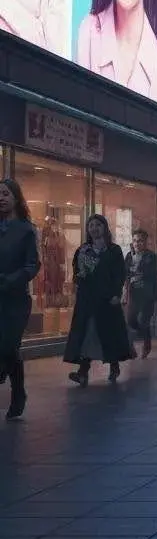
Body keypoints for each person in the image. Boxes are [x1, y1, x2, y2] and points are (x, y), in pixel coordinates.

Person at [64, 214, 133, 384]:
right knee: (87, 334)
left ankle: (114, 366)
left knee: (109, 333)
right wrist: (80, 276)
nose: (94, 228)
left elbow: (119, 274)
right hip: (87, 300)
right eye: (91, 225)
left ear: (104, 227)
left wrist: (116, 294)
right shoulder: (83, 250)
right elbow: (77, 274)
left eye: (98, 225)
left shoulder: (113, 250)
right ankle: (83, 372)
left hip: (107, 300)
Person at [0, 179, 40, 419]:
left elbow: (32, 265)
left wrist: (10, 280)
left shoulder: (26, 229)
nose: (1, 198)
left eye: (5, 193)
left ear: (16, 197)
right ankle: (17, 393)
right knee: (7, 350)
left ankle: (16, 390)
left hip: (16, 299)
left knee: (8, 346)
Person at [124, 228, 157, 359]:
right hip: (134, 293)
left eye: (140, 241)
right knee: (130, 320)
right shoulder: (129, 256)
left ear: (145, 242)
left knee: (143, 320)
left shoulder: (151, 256)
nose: (137, 244)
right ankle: (136, 343)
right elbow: (125, 272)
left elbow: (153, 272)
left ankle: (146, 344)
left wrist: (137, 270)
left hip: (147, 294)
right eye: (134, 241)